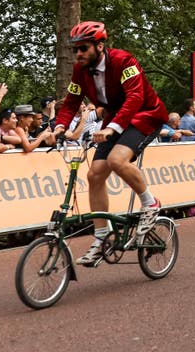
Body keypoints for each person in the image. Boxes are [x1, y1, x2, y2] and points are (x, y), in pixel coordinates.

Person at [53, 21, 169, 266]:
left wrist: (110, 128)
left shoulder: (125, 61)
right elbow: (71, 103)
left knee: (117, 160)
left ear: (100, 45)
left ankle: (151, 203)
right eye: (75, 50)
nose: (78, 54)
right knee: (94, 175)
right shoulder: (80, 70)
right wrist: (60, 125)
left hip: (144, 115)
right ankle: (101, 237)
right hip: (113, 119)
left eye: (83, 48)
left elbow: (136, 97)